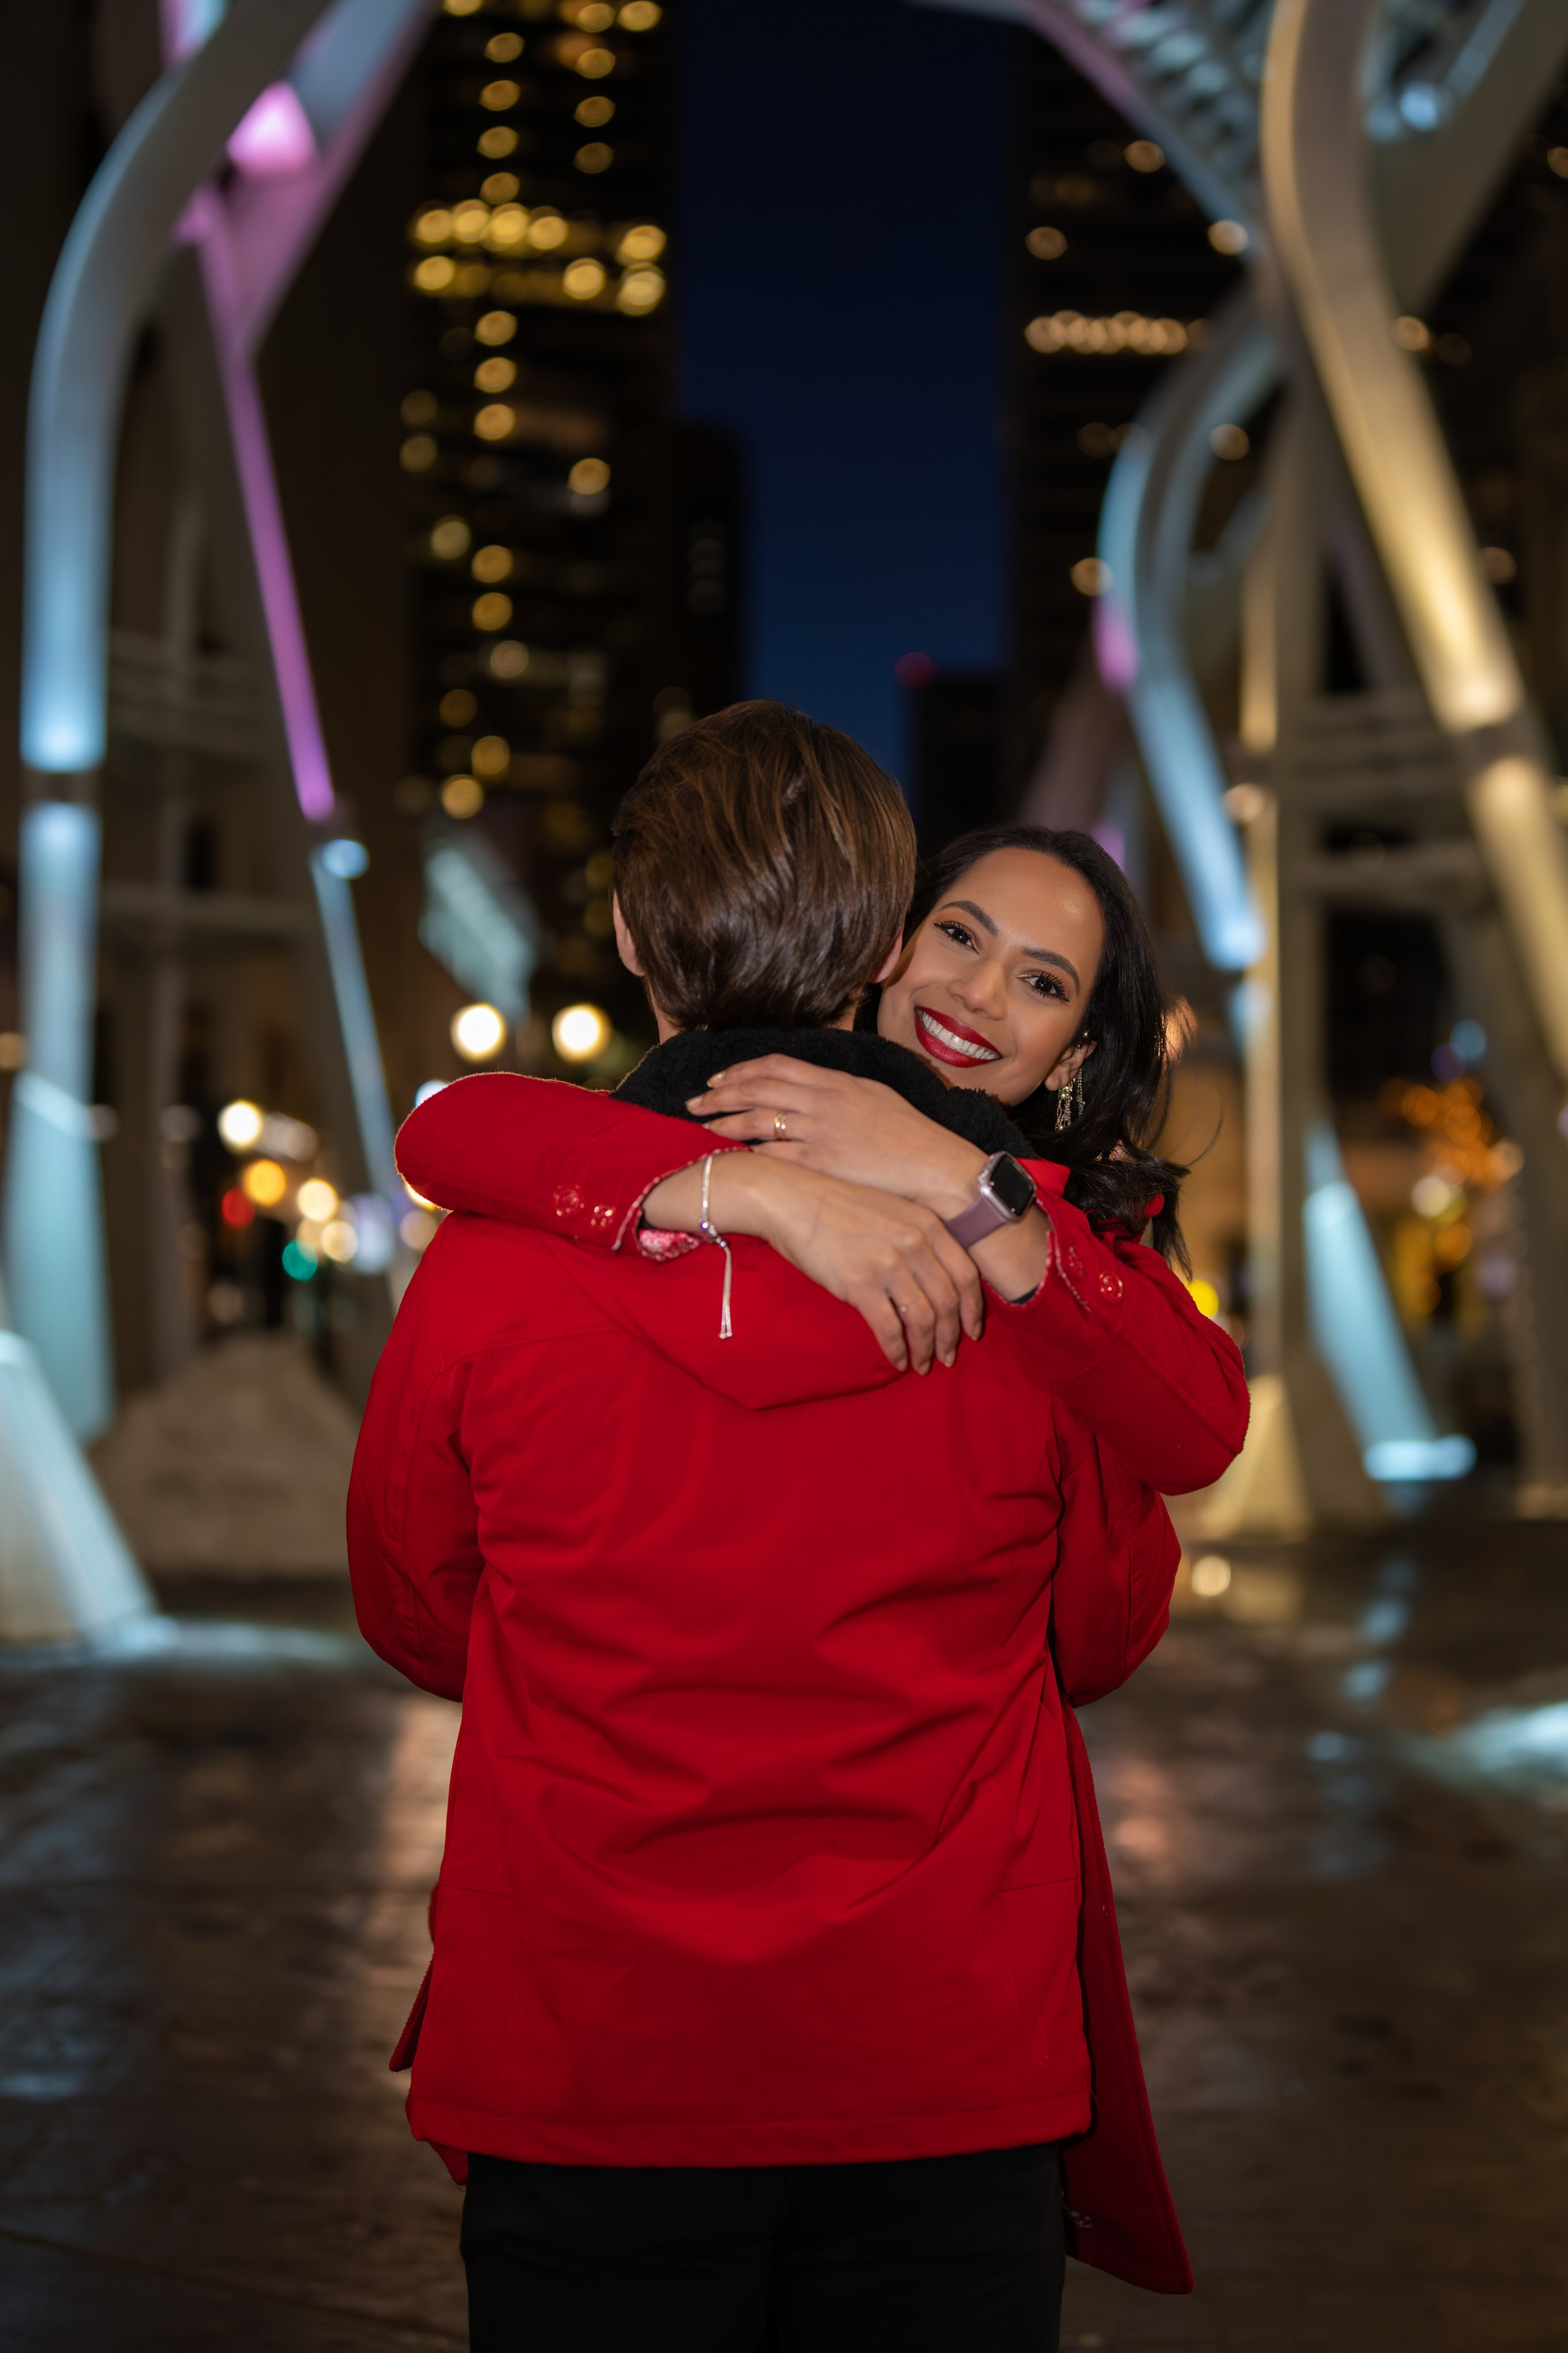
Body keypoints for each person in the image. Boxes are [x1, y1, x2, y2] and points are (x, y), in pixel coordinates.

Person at [355, 704, 1245, 2351]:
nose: (985, 991)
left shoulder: (495, 1254)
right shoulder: (1039, 1278)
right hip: (939, 2045)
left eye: (1042, 981)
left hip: (592, 2039)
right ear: (892, 943)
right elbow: (1101, 1632)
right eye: (966, 941)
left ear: (627, 933)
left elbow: (418, 1610)